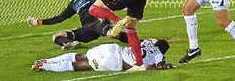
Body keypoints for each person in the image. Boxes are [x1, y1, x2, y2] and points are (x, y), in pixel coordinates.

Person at [27, 0, 128, 50]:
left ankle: (139, 42)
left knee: (113, 34)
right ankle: (71, 44)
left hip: (98, 22)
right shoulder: (73, 3)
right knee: (56, 36)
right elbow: (60, 18)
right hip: (87, 30)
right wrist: (40, 22)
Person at [31, 38, 173, 72]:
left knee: (79, 56)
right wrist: (166, 66)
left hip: (113, 49)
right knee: (78, 66)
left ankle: (47, 60)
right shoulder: (159, 54)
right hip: (115, 61)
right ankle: (45, 66)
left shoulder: (146, 42)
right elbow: (160, 66)